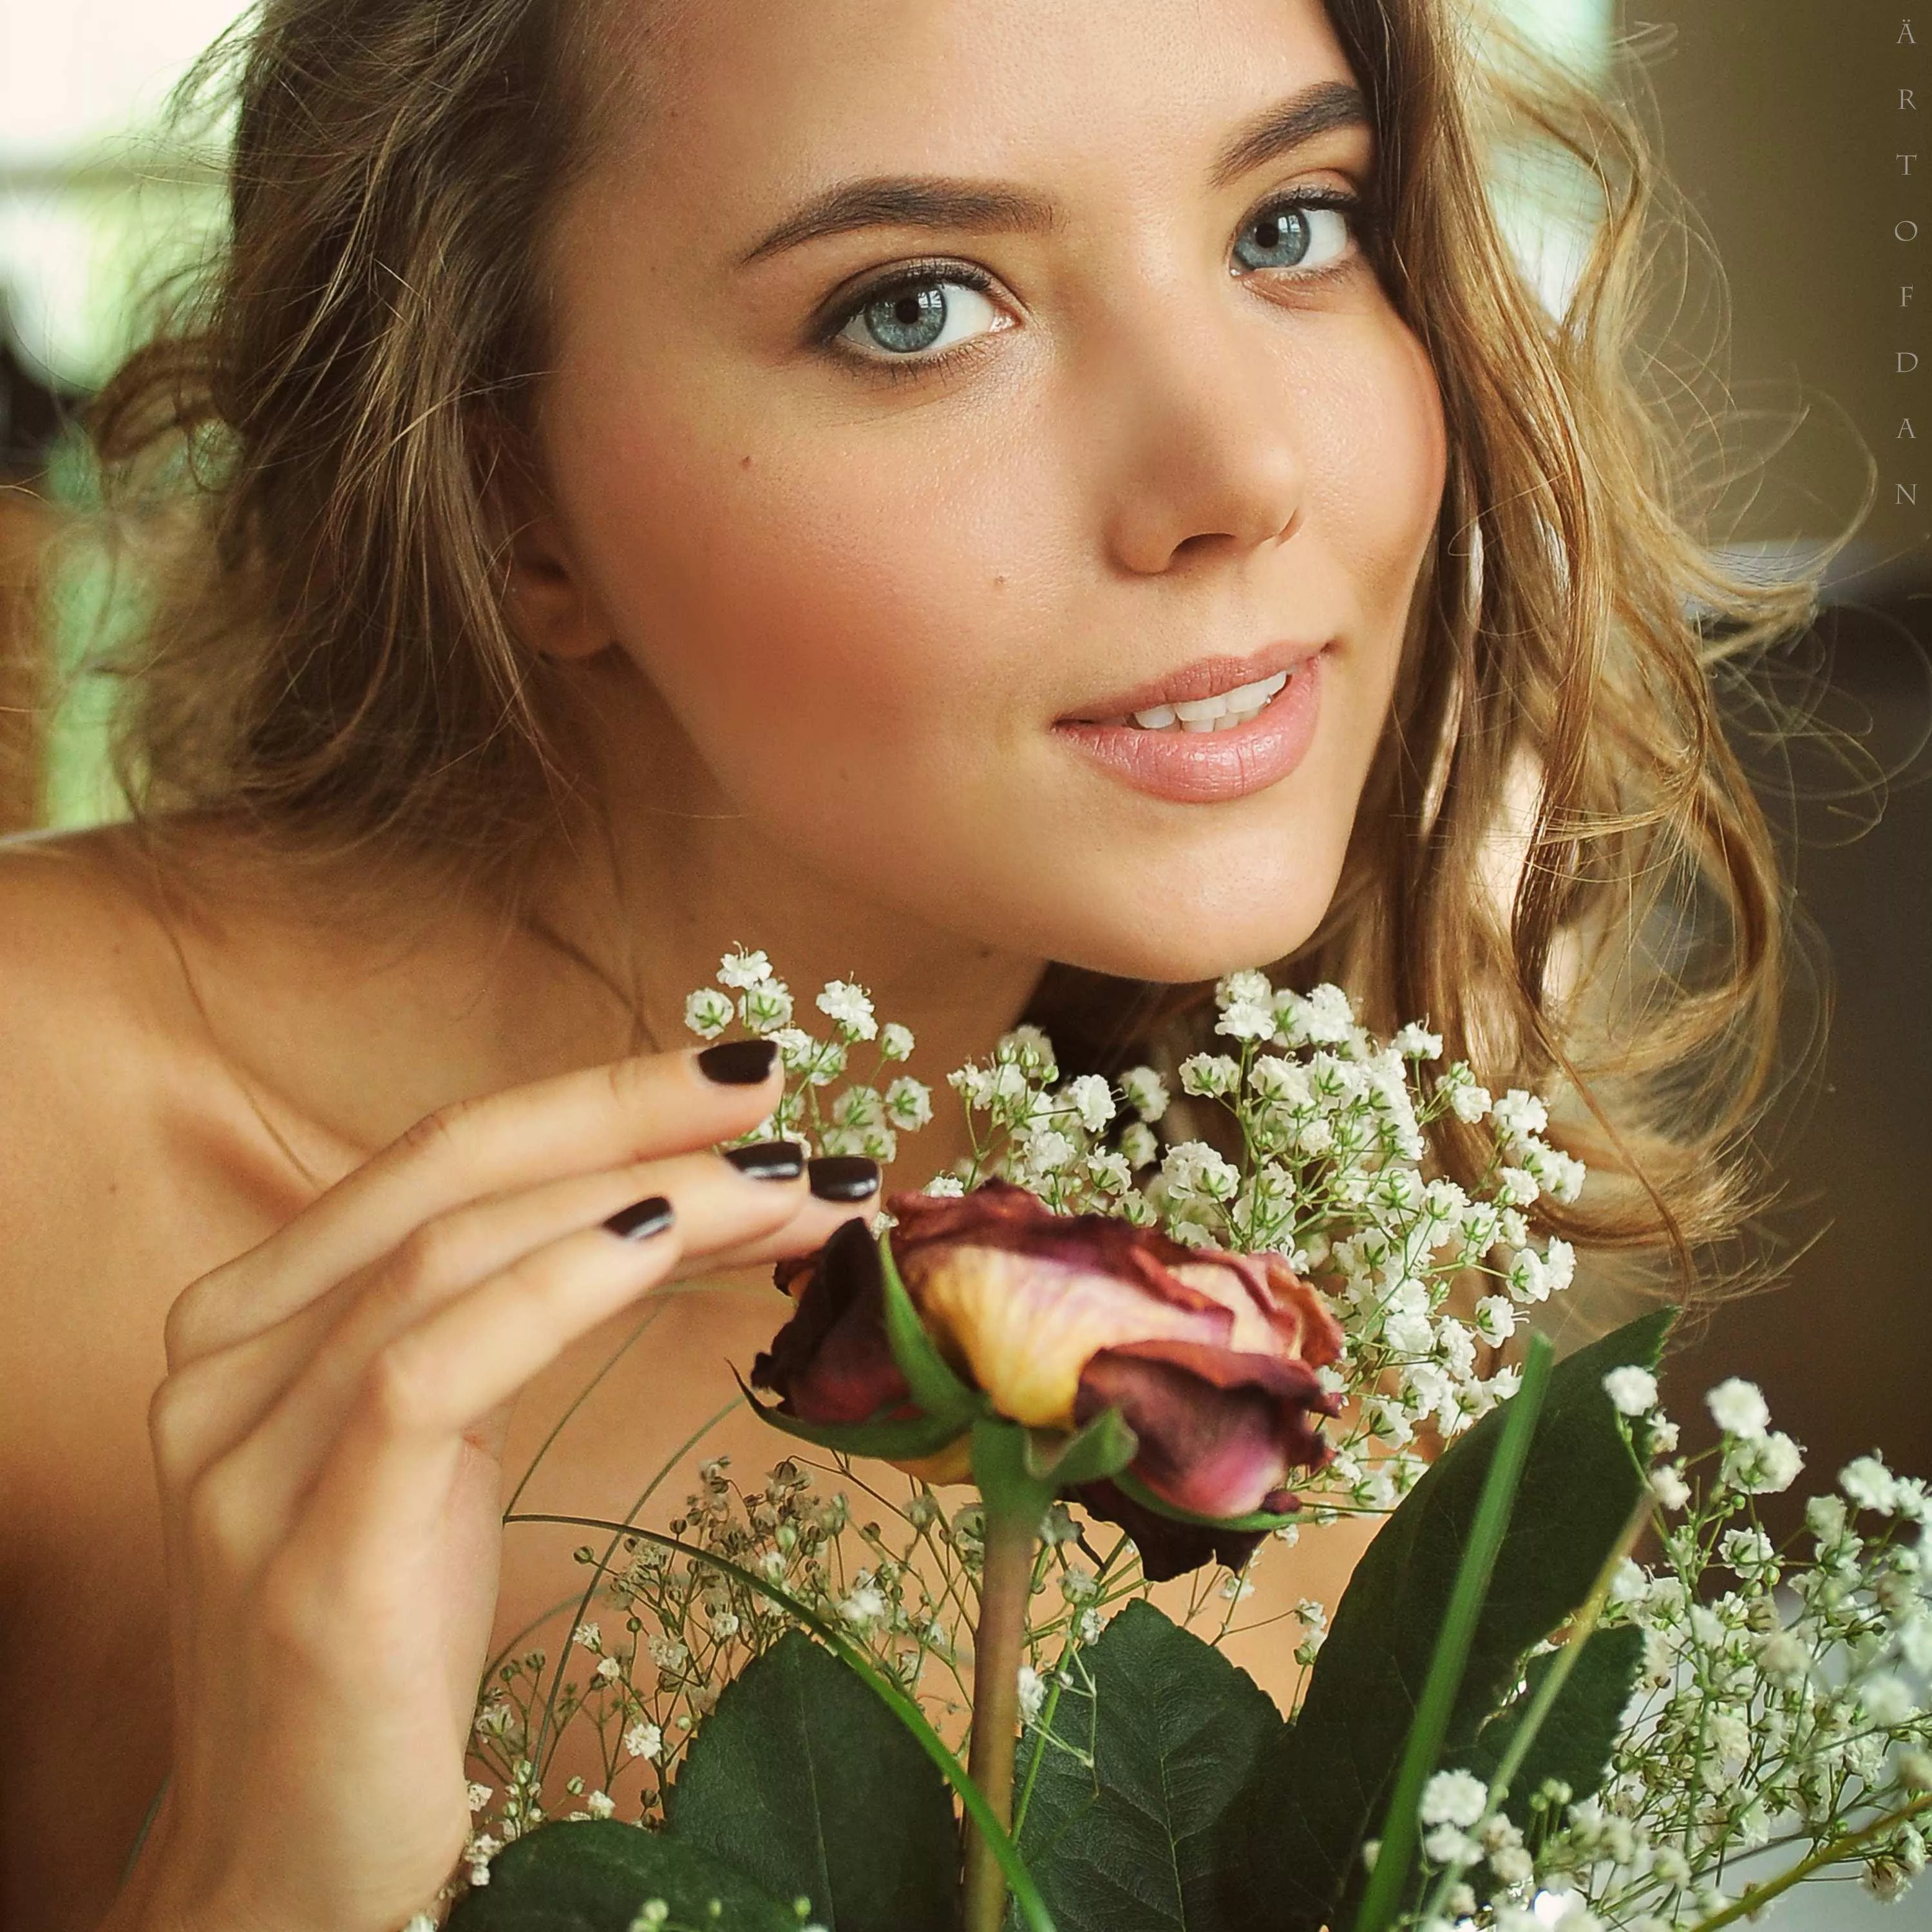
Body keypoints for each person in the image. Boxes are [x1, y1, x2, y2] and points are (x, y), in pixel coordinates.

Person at [0, 0, 1830, 1925]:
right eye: (917, 308)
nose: (1239, 472)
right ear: (510, 490)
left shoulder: (1348, 1290)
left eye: (1290, 225)